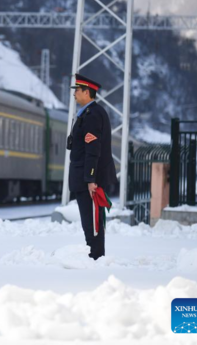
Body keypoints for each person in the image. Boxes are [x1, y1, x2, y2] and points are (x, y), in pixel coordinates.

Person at [67, 73, 117, 260]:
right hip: (85, 177)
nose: (74, 94)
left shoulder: (93, 115)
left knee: (92, 220)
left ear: (87, 92)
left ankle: (96, 255)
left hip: (88, 179)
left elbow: (93, 149)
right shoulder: (89, 114)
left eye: (77, 91)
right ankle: (95, 253)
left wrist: (90, 179)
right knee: (90, 219)